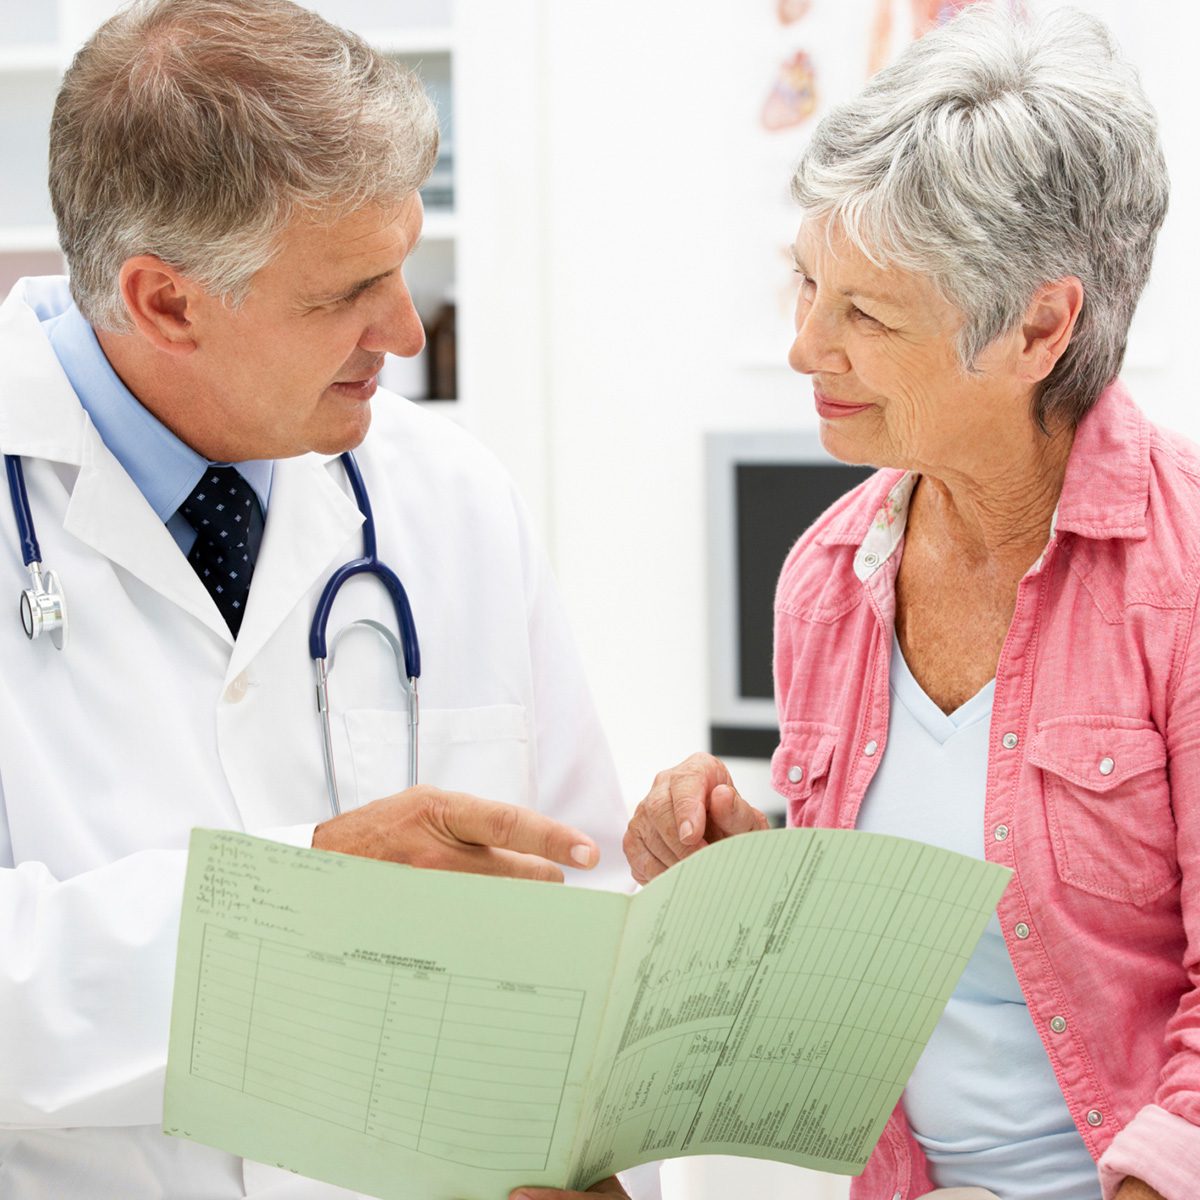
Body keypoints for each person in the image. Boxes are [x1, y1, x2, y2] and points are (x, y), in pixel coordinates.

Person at [533, 5, 1190, 1200]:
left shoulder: (1180, 583)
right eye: (806, 285)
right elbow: (887, 992)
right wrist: (747, 891)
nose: (806, 347)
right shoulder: (831, 577)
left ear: (1041, 326)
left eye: (866, 314)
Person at [0, 2, 634, 1196]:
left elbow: (579, 887)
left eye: (404, 263)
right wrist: (303, 910)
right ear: (165, 302)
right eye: (349, 291)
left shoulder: (449, 494)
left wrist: (594, 1150)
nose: (405, 330)